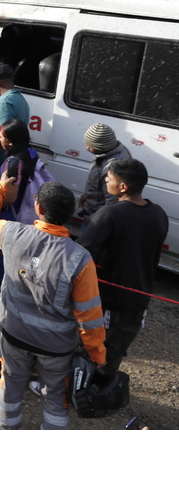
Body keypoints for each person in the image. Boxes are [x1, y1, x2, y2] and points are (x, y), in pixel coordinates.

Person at [0, 174, 106, 430]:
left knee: (9, 391)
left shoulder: (12, 233)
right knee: (56, 401)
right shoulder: (80, 259)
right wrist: (97, 355)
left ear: (39, 208)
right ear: (70, 215)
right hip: (56, 347)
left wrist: (1, 188)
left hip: (14, 335)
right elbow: (89, 316)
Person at [78, 158, 168, 375]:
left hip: (108, 302)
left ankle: (79, 389)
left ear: (123, 186)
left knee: (88, 354)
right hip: (138, 301)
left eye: (109, 178)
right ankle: (103, 389)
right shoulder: (159, 213)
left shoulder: (110, 214)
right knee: (113, 356)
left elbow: (80, 253)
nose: (105, 180)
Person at [0, 118, 54, 311]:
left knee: (3, 257)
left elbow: (10, 197)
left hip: (11, 215)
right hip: (23, 214)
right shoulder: (29, 153)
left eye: (1, 136)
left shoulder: (13, 163)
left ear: (9, 141)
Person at [77, 123, 132, 224]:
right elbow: (98, 184)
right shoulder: (116, 150)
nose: (86, 147)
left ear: (100, 147)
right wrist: (87, 195)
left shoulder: (111, 169)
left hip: (98, 220)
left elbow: (112, 203)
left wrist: (92, 219)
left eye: (90, 145)